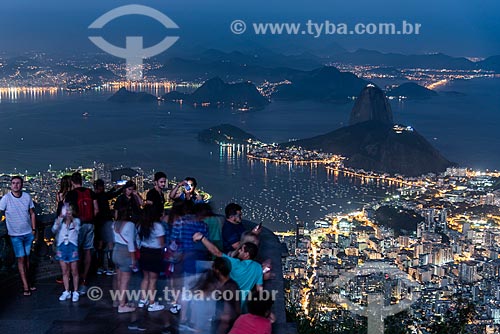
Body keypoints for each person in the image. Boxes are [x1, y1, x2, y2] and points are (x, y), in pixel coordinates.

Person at [193, 232, 263, 309]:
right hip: (240, 304)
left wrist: (202, 238)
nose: (239, 251)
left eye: (241, 250)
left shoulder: (235, 263)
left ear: (246, 254)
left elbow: (216, 252)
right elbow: (259, 288)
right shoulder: (258, 267)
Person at [0, 176, 37, 296]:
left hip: (28, 233)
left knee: (26, 258)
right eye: (13, 183)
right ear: (10, 185)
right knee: (21, 258)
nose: (15, 185)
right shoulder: (5, 199)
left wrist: (33, 229)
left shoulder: (27, 197)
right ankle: (26, 286)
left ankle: (28, 282)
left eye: (18, 183)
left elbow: (32, 213)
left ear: (22, 185)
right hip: (15, 235)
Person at [65, 172, 98, 295]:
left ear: (72, 182)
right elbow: (97, 210)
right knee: (88, 250)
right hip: (90, 224)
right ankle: (84, 279)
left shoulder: (71, 194)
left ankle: (75, 279)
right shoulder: (90, 192)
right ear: (82, 180)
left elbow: (68, 212)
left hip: (77, 226)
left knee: (76, 251)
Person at [137, 206, 165, 312]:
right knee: (153, 280)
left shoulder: (140, 226)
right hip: (154, 253)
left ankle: (142, 300)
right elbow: (161, 243)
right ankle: (152, 303)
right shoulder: (158, 226)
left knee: (145, 278)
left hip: (144, 251)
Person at [52, 203, 80, 302]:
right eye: (66, 210)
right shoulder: (60, 221)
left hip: (72, 247)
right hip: (62, 246)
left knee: (74, 270)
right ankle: (66, 291)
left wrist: (71, 218)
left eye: (69, 210)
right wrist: (60, 218)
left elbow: (78, 229)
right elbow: (54, 230)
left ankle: (75, 291)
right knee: (65, 271)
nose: (67, 212)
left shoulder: (76, 221)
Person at [94, 179, 122, 275]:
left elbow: (109, 194)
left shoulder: (94, 196)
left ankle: (100, 267)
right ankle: (110, 267)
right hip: (106, 221)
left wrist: (114, 188)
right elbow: (111, 195)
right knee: (110, 244)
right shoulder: (103, 196)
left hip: (98, 222)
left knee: (100, 246)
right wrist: (121, 189)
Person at [112, 208, 137, 313]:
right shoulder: (130, 225)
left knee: (118, 278)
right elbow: (131, 243)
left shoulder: (114, 224)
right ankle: (122, 305)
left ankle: (117, 301)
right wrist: (133, 259)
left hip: (115, 251)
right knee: (125, 281)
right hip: (125, 252)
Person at [212, 257, 241, 334]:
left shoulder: (228, 288)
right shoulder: (227, 284)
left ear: (217, 270)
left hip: (225, 327)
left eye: (213, 267)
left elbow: (226, 317)